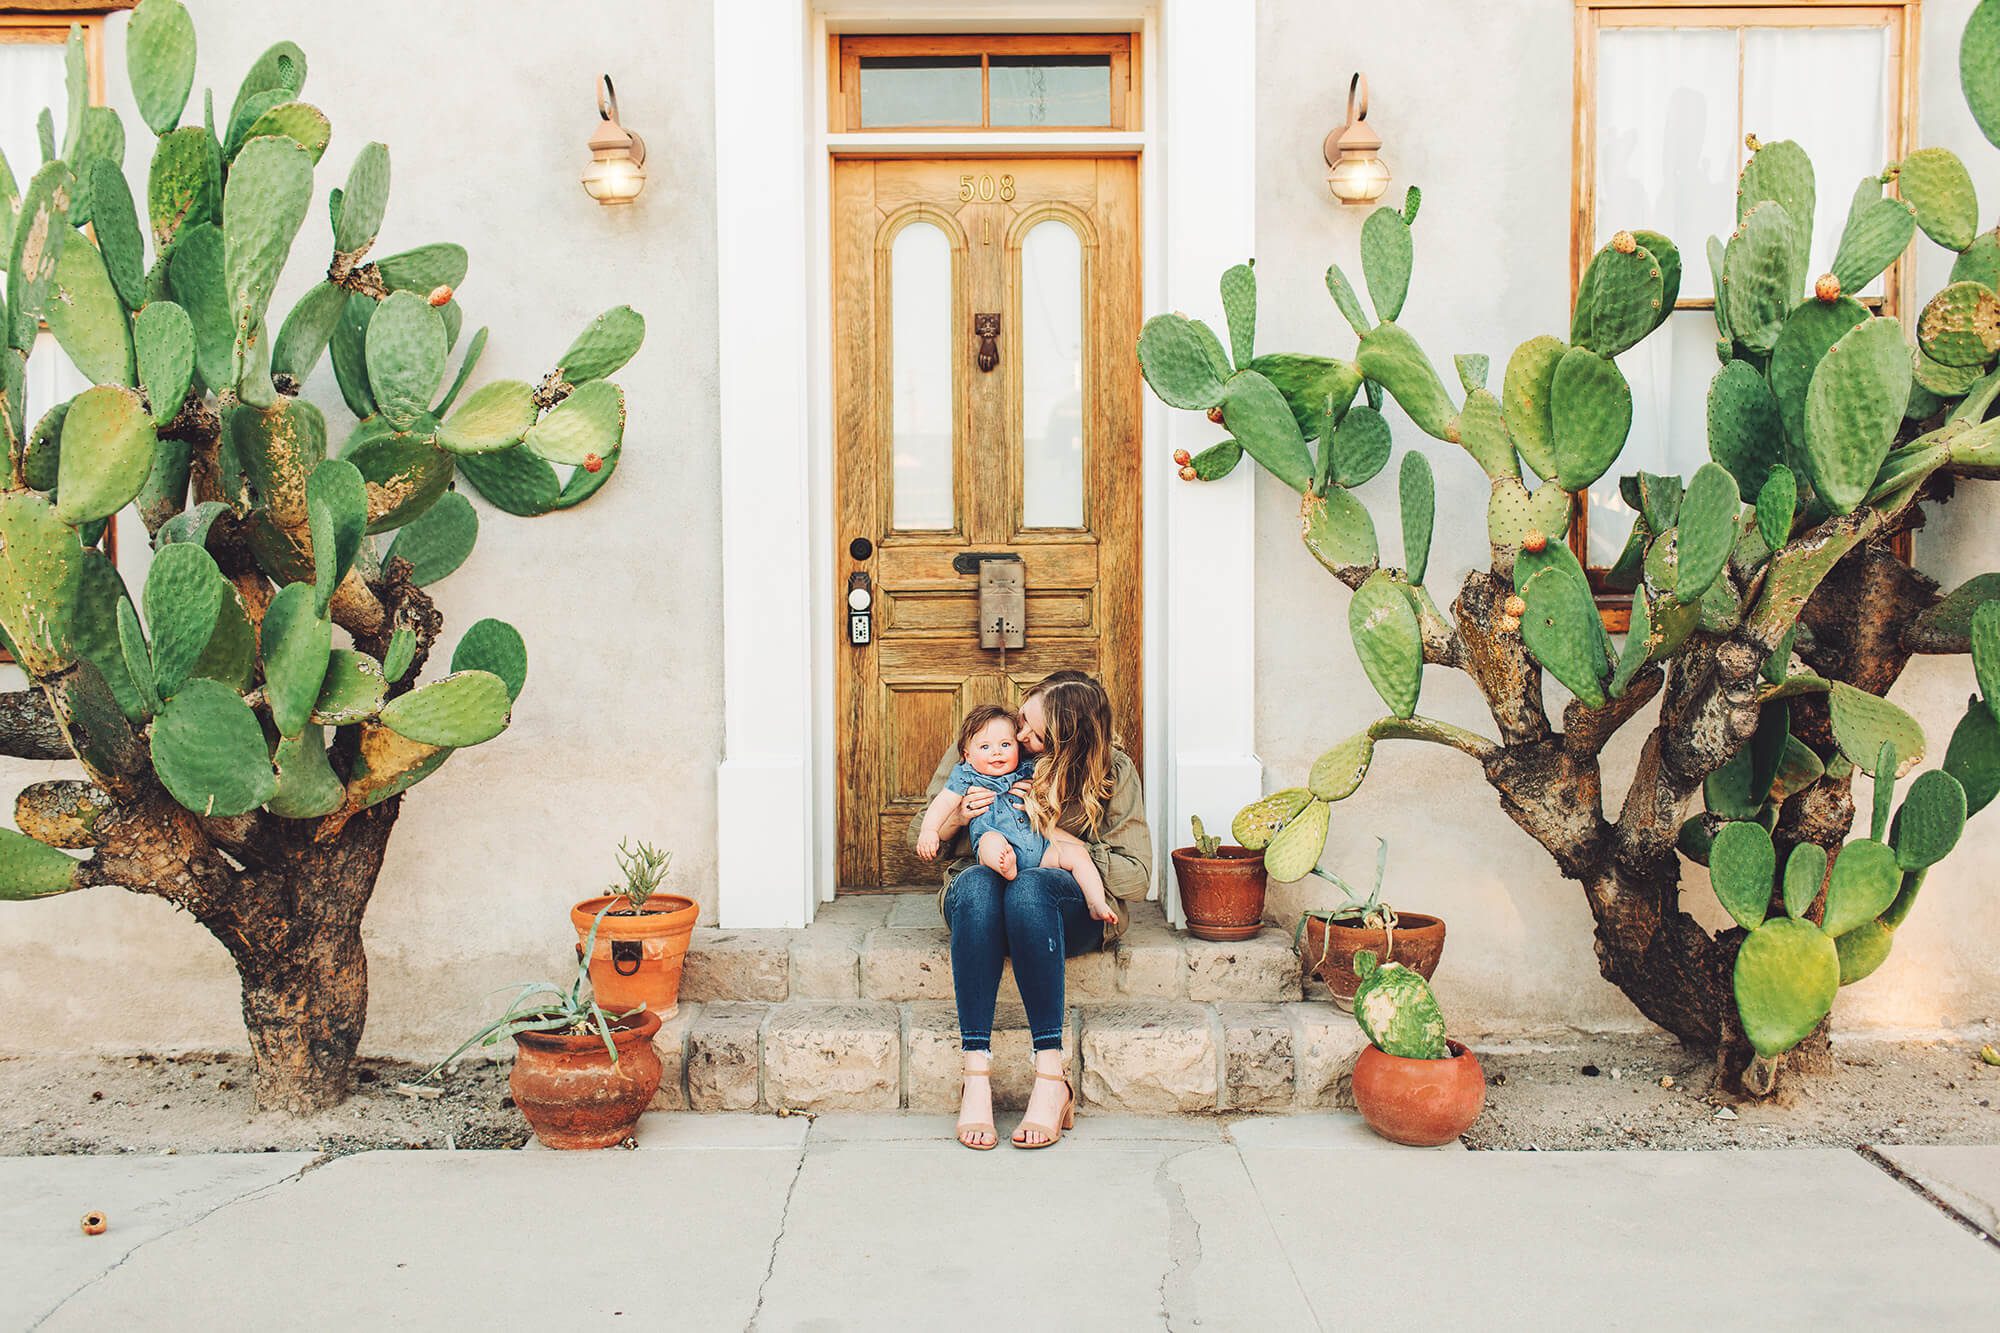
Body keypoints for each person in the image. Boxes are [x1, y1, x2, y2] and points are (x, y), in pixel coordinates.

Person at [906, 671, 1151, 1150]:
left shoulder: (1112, 772)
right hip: (983, 896)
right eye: (1022, 720)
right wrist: (962, 816)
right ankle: (975, 1076)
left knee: (1030, 889)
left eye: (1033, 733)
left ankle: (1050, 1078)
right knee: (978, 884)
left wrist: (1055, 840)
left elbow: (1137, 876)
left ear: (1066, 741)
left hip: (1061, 905)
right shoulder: (985, 743)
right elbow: (922, 829)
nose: (1019, 737)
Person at [914, 705, 1114, 918]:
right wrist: (929, 831)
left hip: (1041, 849)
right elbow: (943, 803)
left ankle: (1096, 903)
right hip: (998, 843)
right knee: (990, 841)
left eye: (1006, 744)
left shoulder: (1027, 770)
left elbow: (1056, 786)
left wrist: (1040, 791)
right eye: (985, 747)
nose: (996, 752)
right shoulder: (966, 776)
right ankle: (1006, 869)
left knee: (1078, 854)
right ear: (967, 755)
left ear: (1018, 748)